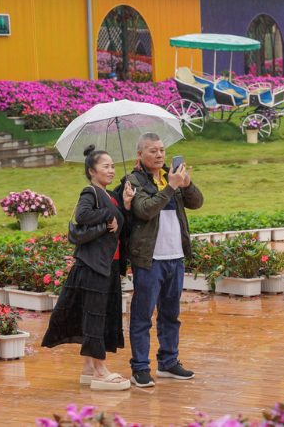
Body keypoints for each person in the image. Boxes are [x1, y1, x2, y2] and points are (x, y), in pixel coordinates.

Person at [42, 145, 136, 391]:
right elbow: (83, 215)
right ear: (92, 171)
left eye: (113, 165)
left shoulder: (108, 194)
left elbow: (118, 226)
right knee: (95, 317)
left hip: (107, 265)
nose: (111, 170)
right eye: (105, 166)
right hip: (94, 266)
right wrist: (108, 217)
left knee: (96, 315)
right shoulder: (90, 191)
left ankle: (87, 368)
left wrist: (123, 206)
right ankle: (100, 371)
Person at [125, 133, 204, 388]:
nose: (159, 155)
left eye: (161, 150)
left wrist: (187, 185)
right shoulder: (133, 180)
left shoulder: (172, 175)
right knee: (142, 315)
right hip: (149, 260)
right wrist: (170, 187)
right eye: (152, 151)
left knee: (171, 314)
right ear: (140, 155)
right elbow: (144, 210)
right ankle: (140, 368)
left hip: (175, 257)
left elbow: (197, 203)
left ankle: (169, 362)